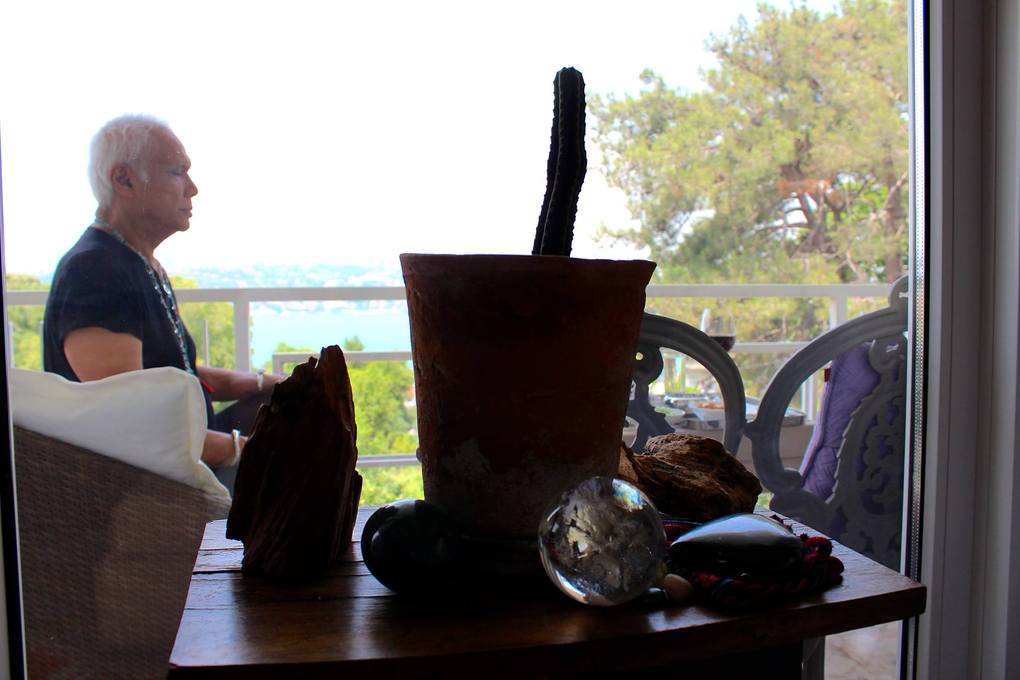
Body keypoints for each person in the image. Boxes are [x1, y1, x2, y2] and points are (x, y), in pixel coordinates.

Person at [43, 114, 283, 491]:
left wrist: (270, 383)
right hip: (148, 488)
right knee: (300, 456)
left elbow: (178, 371)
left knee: (297, 403)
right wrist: (242, 449)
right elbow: (128, 420)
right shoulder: (94, 271)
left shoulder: (137, 262)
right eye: (177, 172)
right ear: (124, 180)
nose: (193, 189)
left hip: (184, 455)